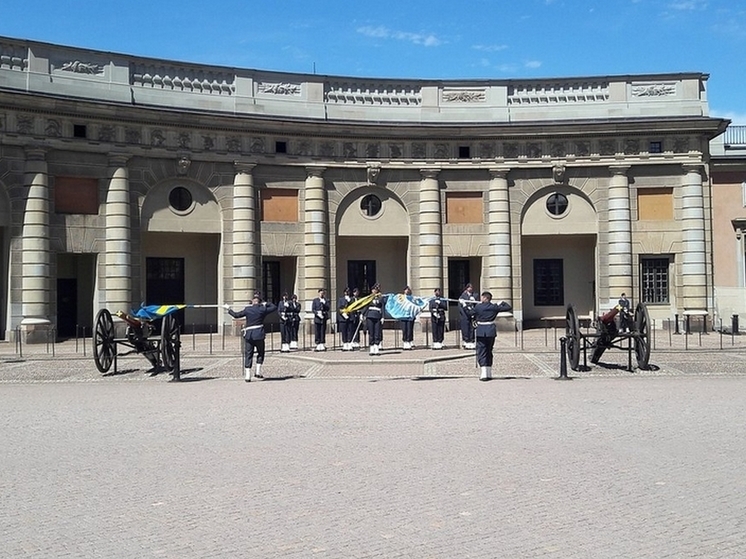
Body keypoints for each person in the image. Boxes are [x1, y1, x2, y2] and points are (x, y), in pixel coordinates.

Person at [224, 293, 277, 382]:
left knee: (248, 354)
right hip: (259, 334)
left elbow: (236, 315)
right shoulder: (262, 309)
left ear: (252, 302)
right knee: (260, 353)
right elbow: (274, 307)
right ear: (260, 302)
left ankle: (247, 376)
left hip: (249, 335)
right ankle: (257, 371)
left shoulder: (248, 309)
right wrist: (265, 303)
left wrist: (228, 309)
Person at [472, 291, 512, 381]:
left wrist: (464, 305)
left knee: (482, 351)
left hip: (481, 330)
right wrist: (501, 302)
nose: (481, 299)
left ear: (485, 298)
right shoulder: (494, 307)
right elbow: (508, 307)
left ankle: (484, 373)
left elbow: (470, 313)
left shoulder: (478, 307)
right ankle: (489, 372)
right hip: (490, 330)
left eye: (482, 297)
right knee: (489, 350)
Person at [364, 283, 386, 355]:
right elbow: (366, 306)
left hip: (377, 316)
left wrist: (383, 316)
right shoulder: (369, 298)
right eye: (373, 289)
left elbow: (382, 308)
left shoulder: (380, 298)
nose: (374, 291)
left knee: (377, 332)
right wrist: (363, 314)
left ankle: (376, 347)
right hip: (370, 316)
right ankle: (371, 347)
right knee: (371, 332)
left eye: (376, 289)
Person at [458, 283, 477, 349]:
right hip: (465, 315)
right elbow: (460, 307)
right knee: (465, 328)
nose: (470, 289)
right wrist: (464, 314)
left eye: (471, 287)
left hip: (472, 314)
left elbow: (477, 305)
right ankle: (466, 341)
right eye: (469, 287)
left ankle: (471, 341)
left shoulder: (475, 295)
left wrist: (474, 301)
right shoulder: (462, 296)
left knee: (472, 328)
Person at [400, 285, 416, 350]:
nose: (407, 291)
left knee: (409, 329)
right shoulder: (401, 297)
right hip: (403, 316)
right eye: (405, 290)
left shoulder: (411, 298)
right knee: (404, 329)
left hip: (410, 316)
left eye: (408, 289)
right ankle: (405, 341)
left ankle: (409, 341)